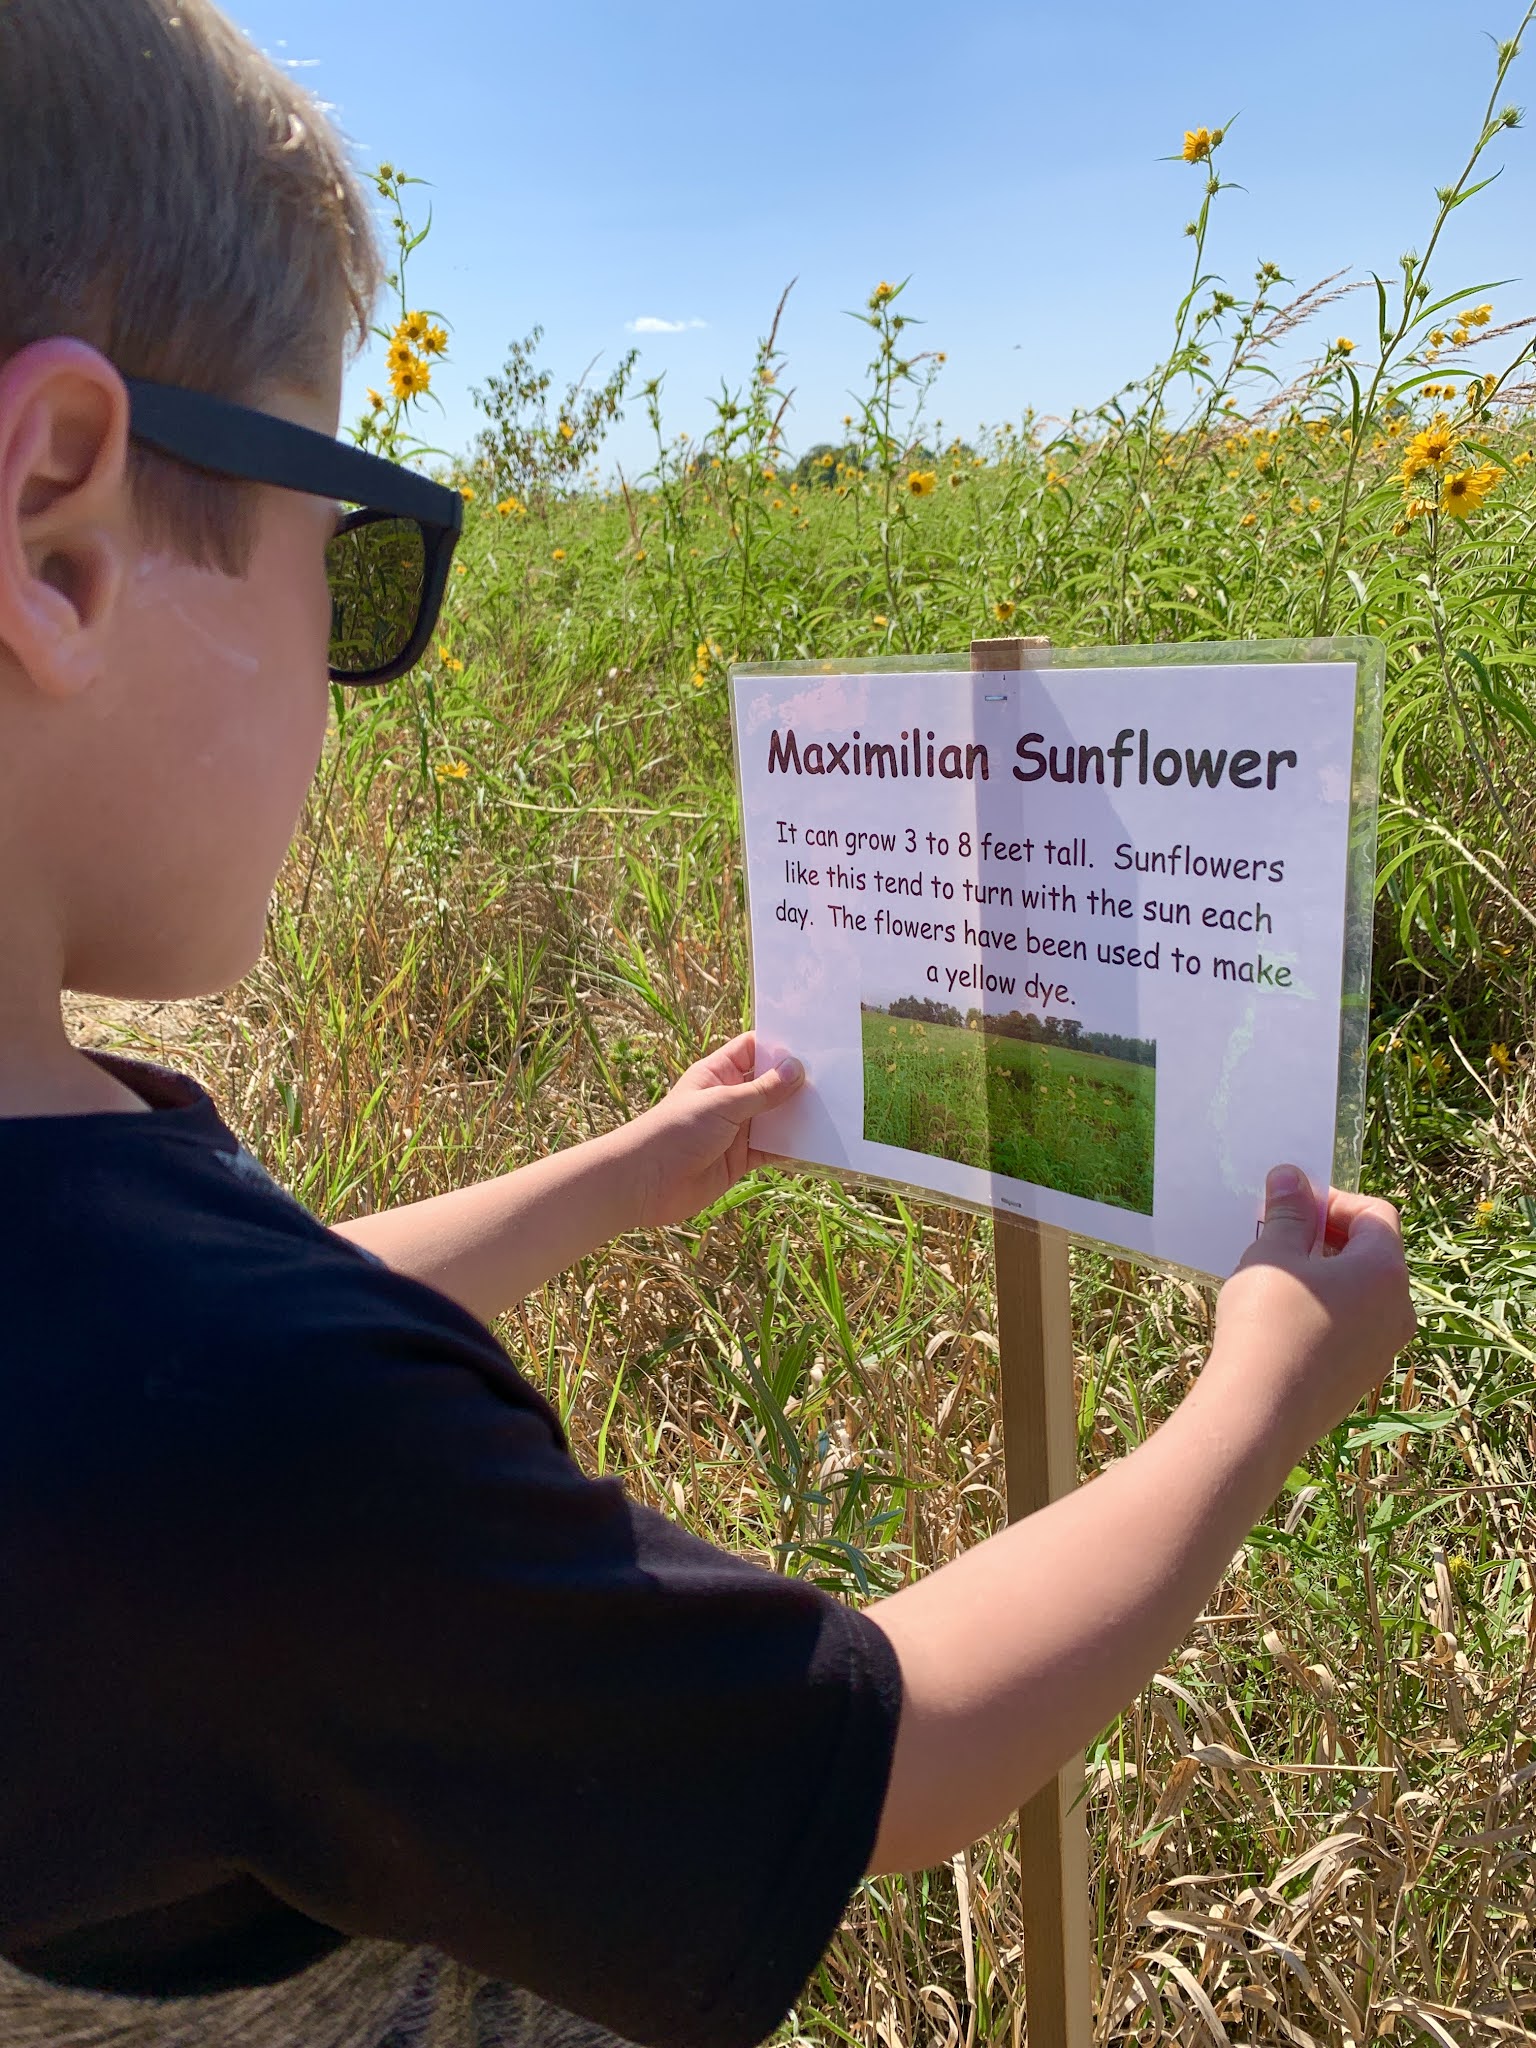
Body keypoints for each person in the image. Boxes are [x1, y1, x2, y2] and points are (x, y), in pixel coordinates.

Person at [0, 5, 1417, 2046]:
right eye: (356, 561)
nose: (350, 663)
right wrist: (1263, 1385)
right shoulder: (257, 1447)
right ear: (60, 535)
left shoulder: (119, 1307)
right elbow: (894, 1748)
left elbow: (190, 1326)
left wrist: (615, 1173)